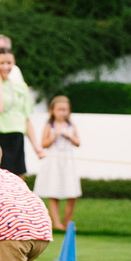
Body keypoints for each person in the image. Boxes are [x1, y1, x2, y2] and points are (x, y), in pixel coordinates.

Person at [0, 46, 43, 176]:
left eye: (9, 63)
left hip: (16, 138)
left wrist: (36, 147)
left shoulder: (21, 87)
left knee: (17, 180)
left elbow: (26, 119)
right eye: (1, 63)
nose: (6, 67)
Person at [33, 95, 82, 230]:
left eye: (65, 110)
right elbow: (43, 144)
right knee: (54, 192)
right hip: (53, 163)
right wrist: (54, 136)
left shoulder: (71, 126)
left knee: (72, 193)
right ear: (53, 111)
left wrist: (68, 136)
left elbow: (78, 142)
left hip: (68, 163)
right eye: (59, 110)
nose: (62, 113)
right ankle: (57, 223)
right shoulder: (49, 126)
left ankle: (67, 222)